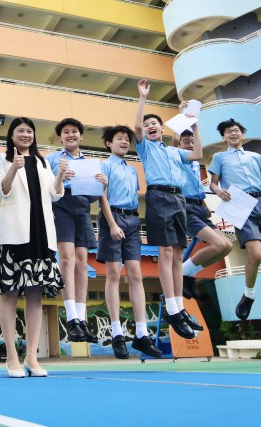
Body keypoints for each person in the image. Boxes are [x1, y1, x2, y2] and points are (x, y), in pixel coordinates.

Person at [0, 117, 65, 377]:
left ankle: (31, 357)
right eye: (20, 131)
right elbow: (2, 190)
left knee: (35, 293)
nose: (26, 135)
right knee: (9, 291)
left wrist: (61, 177)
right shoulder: (3, 159)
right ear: (11, 136)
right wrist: (13, 168)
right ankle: (11, 356)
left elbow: (55, 194)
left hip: (42, 234)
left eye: (29, 131)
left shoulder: (43, 162)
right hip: (14, 233)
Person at [208, 120, 261, 320]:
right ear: (223, 137)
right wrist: (219, 191)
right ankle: (248, 295)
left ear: (243, 134)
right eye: (228, 132)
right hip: (239, 203)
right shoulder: (219, 157)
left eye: (236, 130)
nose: (232, 133)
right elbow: (213, 184)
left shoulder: (255, 156)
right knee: (256, 255)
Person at [134, 82, 200, 339]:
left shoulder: (174, 151)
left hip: (178, 199)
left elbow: (198, 153)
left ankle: (179, 308)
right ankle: (173, 310)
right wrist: (143, 98)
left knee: (176, 253)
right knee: (164, 252)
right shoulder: (145, 147)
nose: (151, 126)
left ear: (163, 129)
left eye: (155, 123)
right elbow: (137, 127)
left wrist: (193, 124)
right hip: (158, 197)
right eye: (148, 124)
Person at [97, 124, 163, 359]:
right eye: (119, 139)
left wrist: (133, 223)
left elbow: (134, 197)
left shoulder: (133, 169)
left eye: (127, 139)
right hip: (112, 218)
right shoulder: (104, 165)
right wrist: (112, 224)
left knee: (136, 274)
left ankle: (142, 334)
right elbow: (101, 196)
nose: (124, 142)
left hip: (133, 220)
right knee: (114, 274)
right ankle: (116, 334)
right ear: (109, 143)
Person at [46, 117, 95, 342]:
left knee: (82, 261)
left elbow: (95, 196)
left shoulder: (90, 163)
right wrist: (60, 176)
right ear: (60, 137)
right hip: (61, 204)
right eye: (66, 132)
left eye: (74, 131)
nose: (70, 135)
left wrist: (101, 183)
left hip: (83, 206)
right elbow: (45, 190)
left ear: (81, 136)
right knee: (66, 259)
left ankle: (82, 320)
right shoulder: (50, 159)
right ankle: (71, 318)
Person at [178, 129, 232, 301]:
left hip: (199, 207)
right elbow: (174, 140)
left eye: (193, 141)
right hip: (185, 207)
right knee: (217, 244)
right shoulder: (178, 157)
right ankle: (181, 274)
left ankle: (188, 275)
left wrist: (204, 203)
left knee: (227, 246)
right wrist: (187, 122)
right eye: (186, 141)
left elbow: (196, 185)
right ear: (179, 144)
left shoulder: (195, 162)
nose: (190, 144)